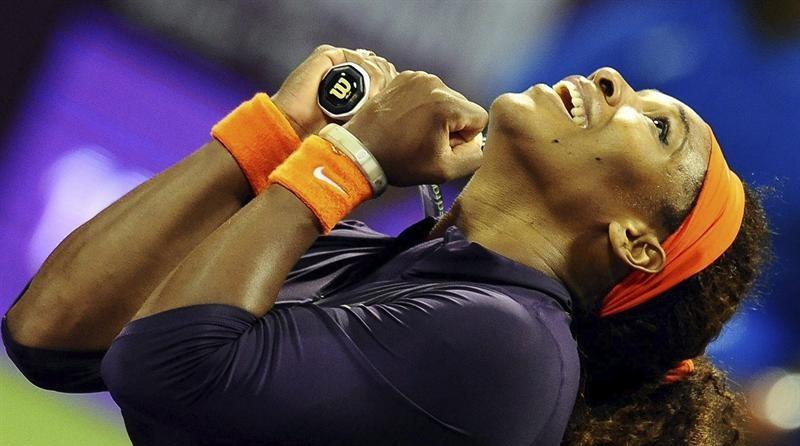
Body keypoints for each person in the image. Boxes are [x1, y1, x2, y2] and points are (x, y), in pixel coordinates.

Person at [2, 44, 770, 445]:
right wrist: (275, 135)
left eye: (657, 127)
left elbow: (164, 368)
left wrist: (348, 162)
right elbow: (52, 334)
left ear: (635, 242)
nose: (610, 79)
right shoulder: (378, 260)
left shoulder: (512, 348)